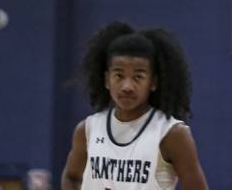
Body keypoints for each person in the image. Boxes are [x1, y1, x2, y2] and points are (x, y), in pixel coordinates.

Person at [61, 22, 208, 190]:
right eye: (119, 75)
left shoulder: (172, 134)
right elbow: (71, 178)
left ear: (153, 82)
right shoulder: (87, 130)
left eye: (138, 77)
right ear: (107, 80)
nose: (127, 86)